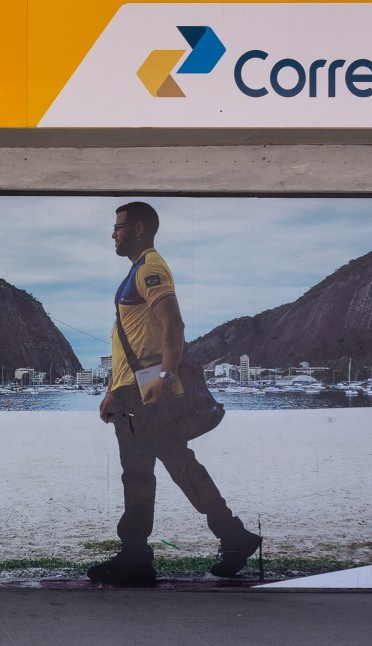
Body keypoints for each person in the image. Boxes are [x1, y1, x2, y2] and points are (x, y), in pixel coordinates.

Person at [91, 201, 261, 586]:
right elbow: (132, 341)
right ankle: (233, 535)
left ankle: (136, 558)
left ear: (138, 229)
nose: (113, 234)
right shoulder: (138, 271)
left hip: (145, 395)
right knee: (178, 463)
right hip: (134, 391)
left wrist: (166, 378)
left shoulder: (150, 268)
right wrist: (112, 390)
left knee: (138, 475)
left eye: (119, 227)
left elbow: (174, 324)